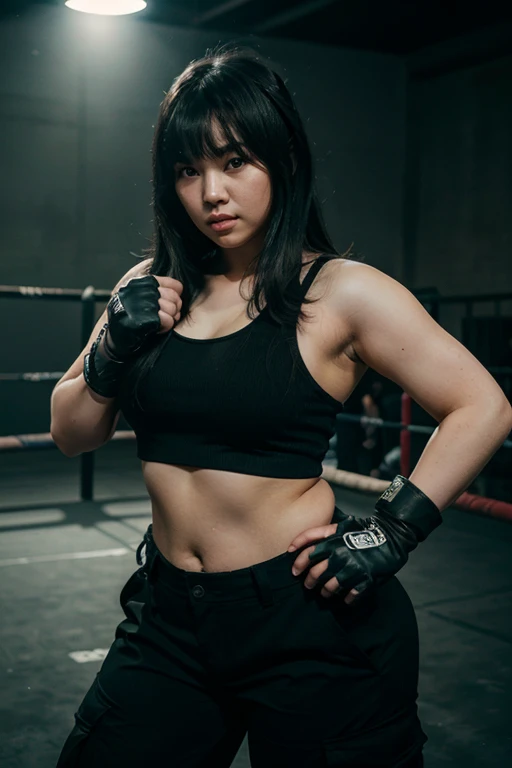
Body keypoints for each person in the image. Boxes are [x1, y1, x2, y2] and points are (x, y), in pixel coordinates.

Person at [50, 43, 512, 768]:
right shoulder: (150, 284)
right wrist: (111, 346)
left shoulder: (341, 292)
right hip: (169, 620)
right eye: (187, 169)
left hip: (305, 620)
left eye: (234, 161)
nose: (211, 193)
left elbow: (483, 404)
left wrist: (393, 531)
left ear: (282, 156)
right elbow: (71, 430)